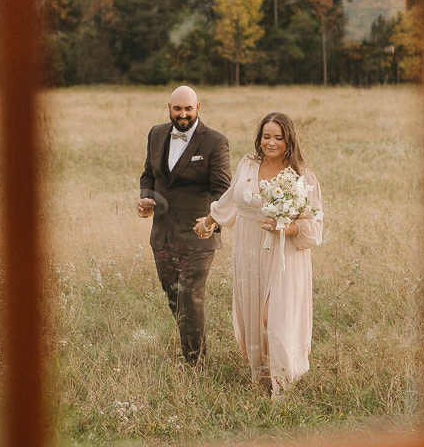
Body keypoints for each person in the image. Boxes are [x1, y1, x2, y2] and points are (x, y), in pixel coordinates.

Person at [195, 110, 323, 396]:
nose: (271, 142)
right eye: (266, 136)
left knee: (274, 319)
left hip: (284, 253)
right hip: (249, 248)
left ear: (289, 140)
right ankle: (263, 377)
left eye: (278, 137)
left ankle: (284, 383)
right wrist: (209, 221)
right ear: (259, 138)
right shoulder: (247, 166)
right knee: (254, 316)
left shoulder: (302, 175)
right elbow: (232, 200)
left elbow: (314, 225)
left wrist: (286, 227)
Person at [137, 86, 231, 367]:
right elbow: (148, 175)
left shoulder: (215, 142)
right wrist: (146, 197)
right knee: (174, 296)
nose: (183, 114)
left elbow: (223, 191)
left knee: (190, 297)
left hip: (198, 235)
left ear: (198, 108)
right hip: (162, 233)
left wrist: (212, 222)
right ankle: (191, 348)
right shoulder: (155, 134)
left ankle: (195, 363)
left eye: (188, 109)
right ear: (169, 108)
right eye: (177, 109)